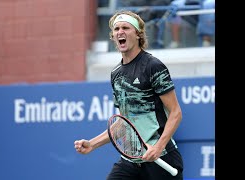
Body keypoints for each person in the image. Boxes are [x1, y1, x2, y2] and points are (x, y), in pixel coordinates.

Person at [74, 10, 184, 180]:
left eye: (126, 27)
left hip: (162, 157)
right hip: (131, 161)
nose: (120, 32)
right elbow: (123, 123)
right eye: (116, 29)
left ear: (138, 34)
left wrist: (157, 147)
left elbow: (175, 113)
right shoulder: (116, 74)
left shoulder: (153, 66)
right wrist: (92, 144)